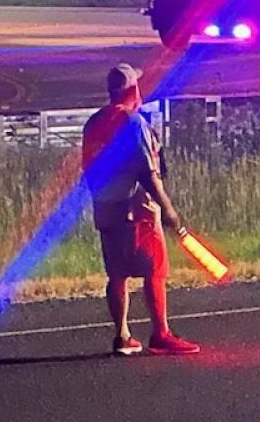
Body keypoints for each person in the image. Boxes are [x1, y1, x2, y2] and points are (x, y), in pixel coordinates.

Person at [80, 64, 200, 357]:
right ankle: (161, 333)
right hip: (136, 208)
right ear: (134, 90)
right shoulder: (133, 124)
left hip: (105, 207)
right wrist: (169, 210)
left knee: (117, 273)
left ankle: (122, 335)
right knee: (155, 270)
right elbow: (148, 173)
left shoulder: (93, 123)